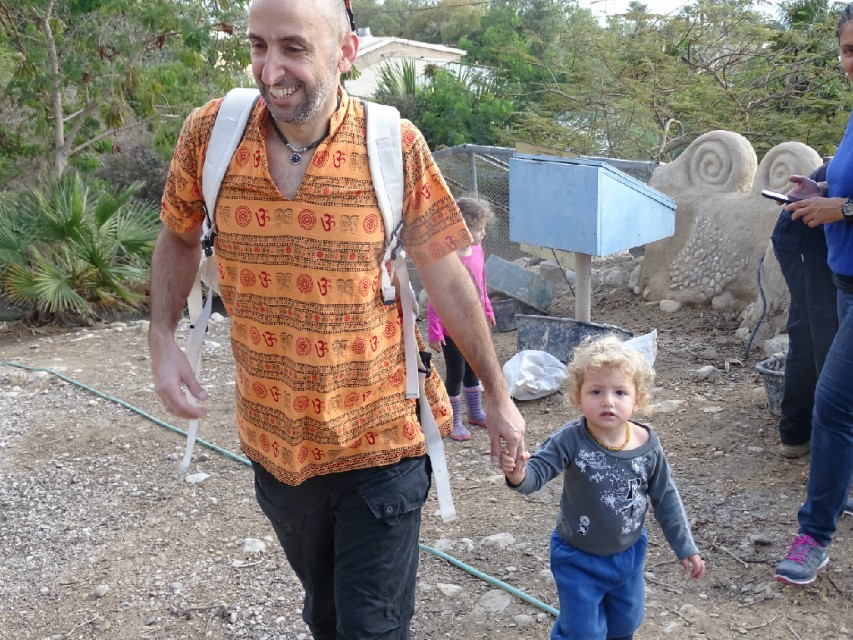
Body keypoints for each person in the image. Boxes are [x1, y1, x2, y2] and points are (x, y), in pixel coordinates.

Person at [147, 0, 526, 637]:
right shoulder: (211, 134)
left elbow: (446, 274)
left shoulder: (393, 145)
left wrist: (497, 392)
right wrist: (161, 336)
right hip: (275, 441)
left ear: (346, 52)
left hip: (384, 438)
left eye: (294, 48)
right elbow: (180, 236)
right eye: (259, 46)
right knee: (325, 615)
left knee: (371, 627)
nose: (270, 70)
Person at [500, 335, 704, 640]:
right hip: (578, 557)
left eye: (620, 392)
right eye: (596, 391)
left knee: (626, 623)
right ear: (578, 397)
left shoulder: (648, 445)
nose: (608, 401)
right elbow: (536, 474)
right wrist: (518, 474)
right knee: (582, 632)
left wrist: (685, 547)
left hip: (629, 553)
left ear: (637, 399)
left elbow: (666, 498)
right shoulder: (571, 439)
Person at [774, 2, 853, 586]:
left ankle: (814, 535)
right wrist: (818, 187)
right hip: (844, 276)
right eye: (848, 50)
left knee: (831, 404)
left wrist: (840, 209)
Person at [770, 161, 839, 459]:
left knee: (813, 329)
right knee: (821, 335)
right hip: (808, 237)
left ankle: (802, 431)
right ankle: (810, 434)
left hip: (826, 238)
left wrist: (822, 190)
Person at [427, 197, 496, 442]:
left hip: (474, 325)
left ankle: (475, 413)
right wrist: (435, 331)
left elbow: (482, 285)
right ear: (462, 229)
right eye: (478, 229)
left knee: (473, 368)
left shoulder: (478, 251)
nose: (483, 233)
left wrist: (488, 310)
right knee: (456, 372)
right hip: (452, 327)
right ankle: (453, 420)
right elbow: (436, 296)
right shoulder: (447, 258)